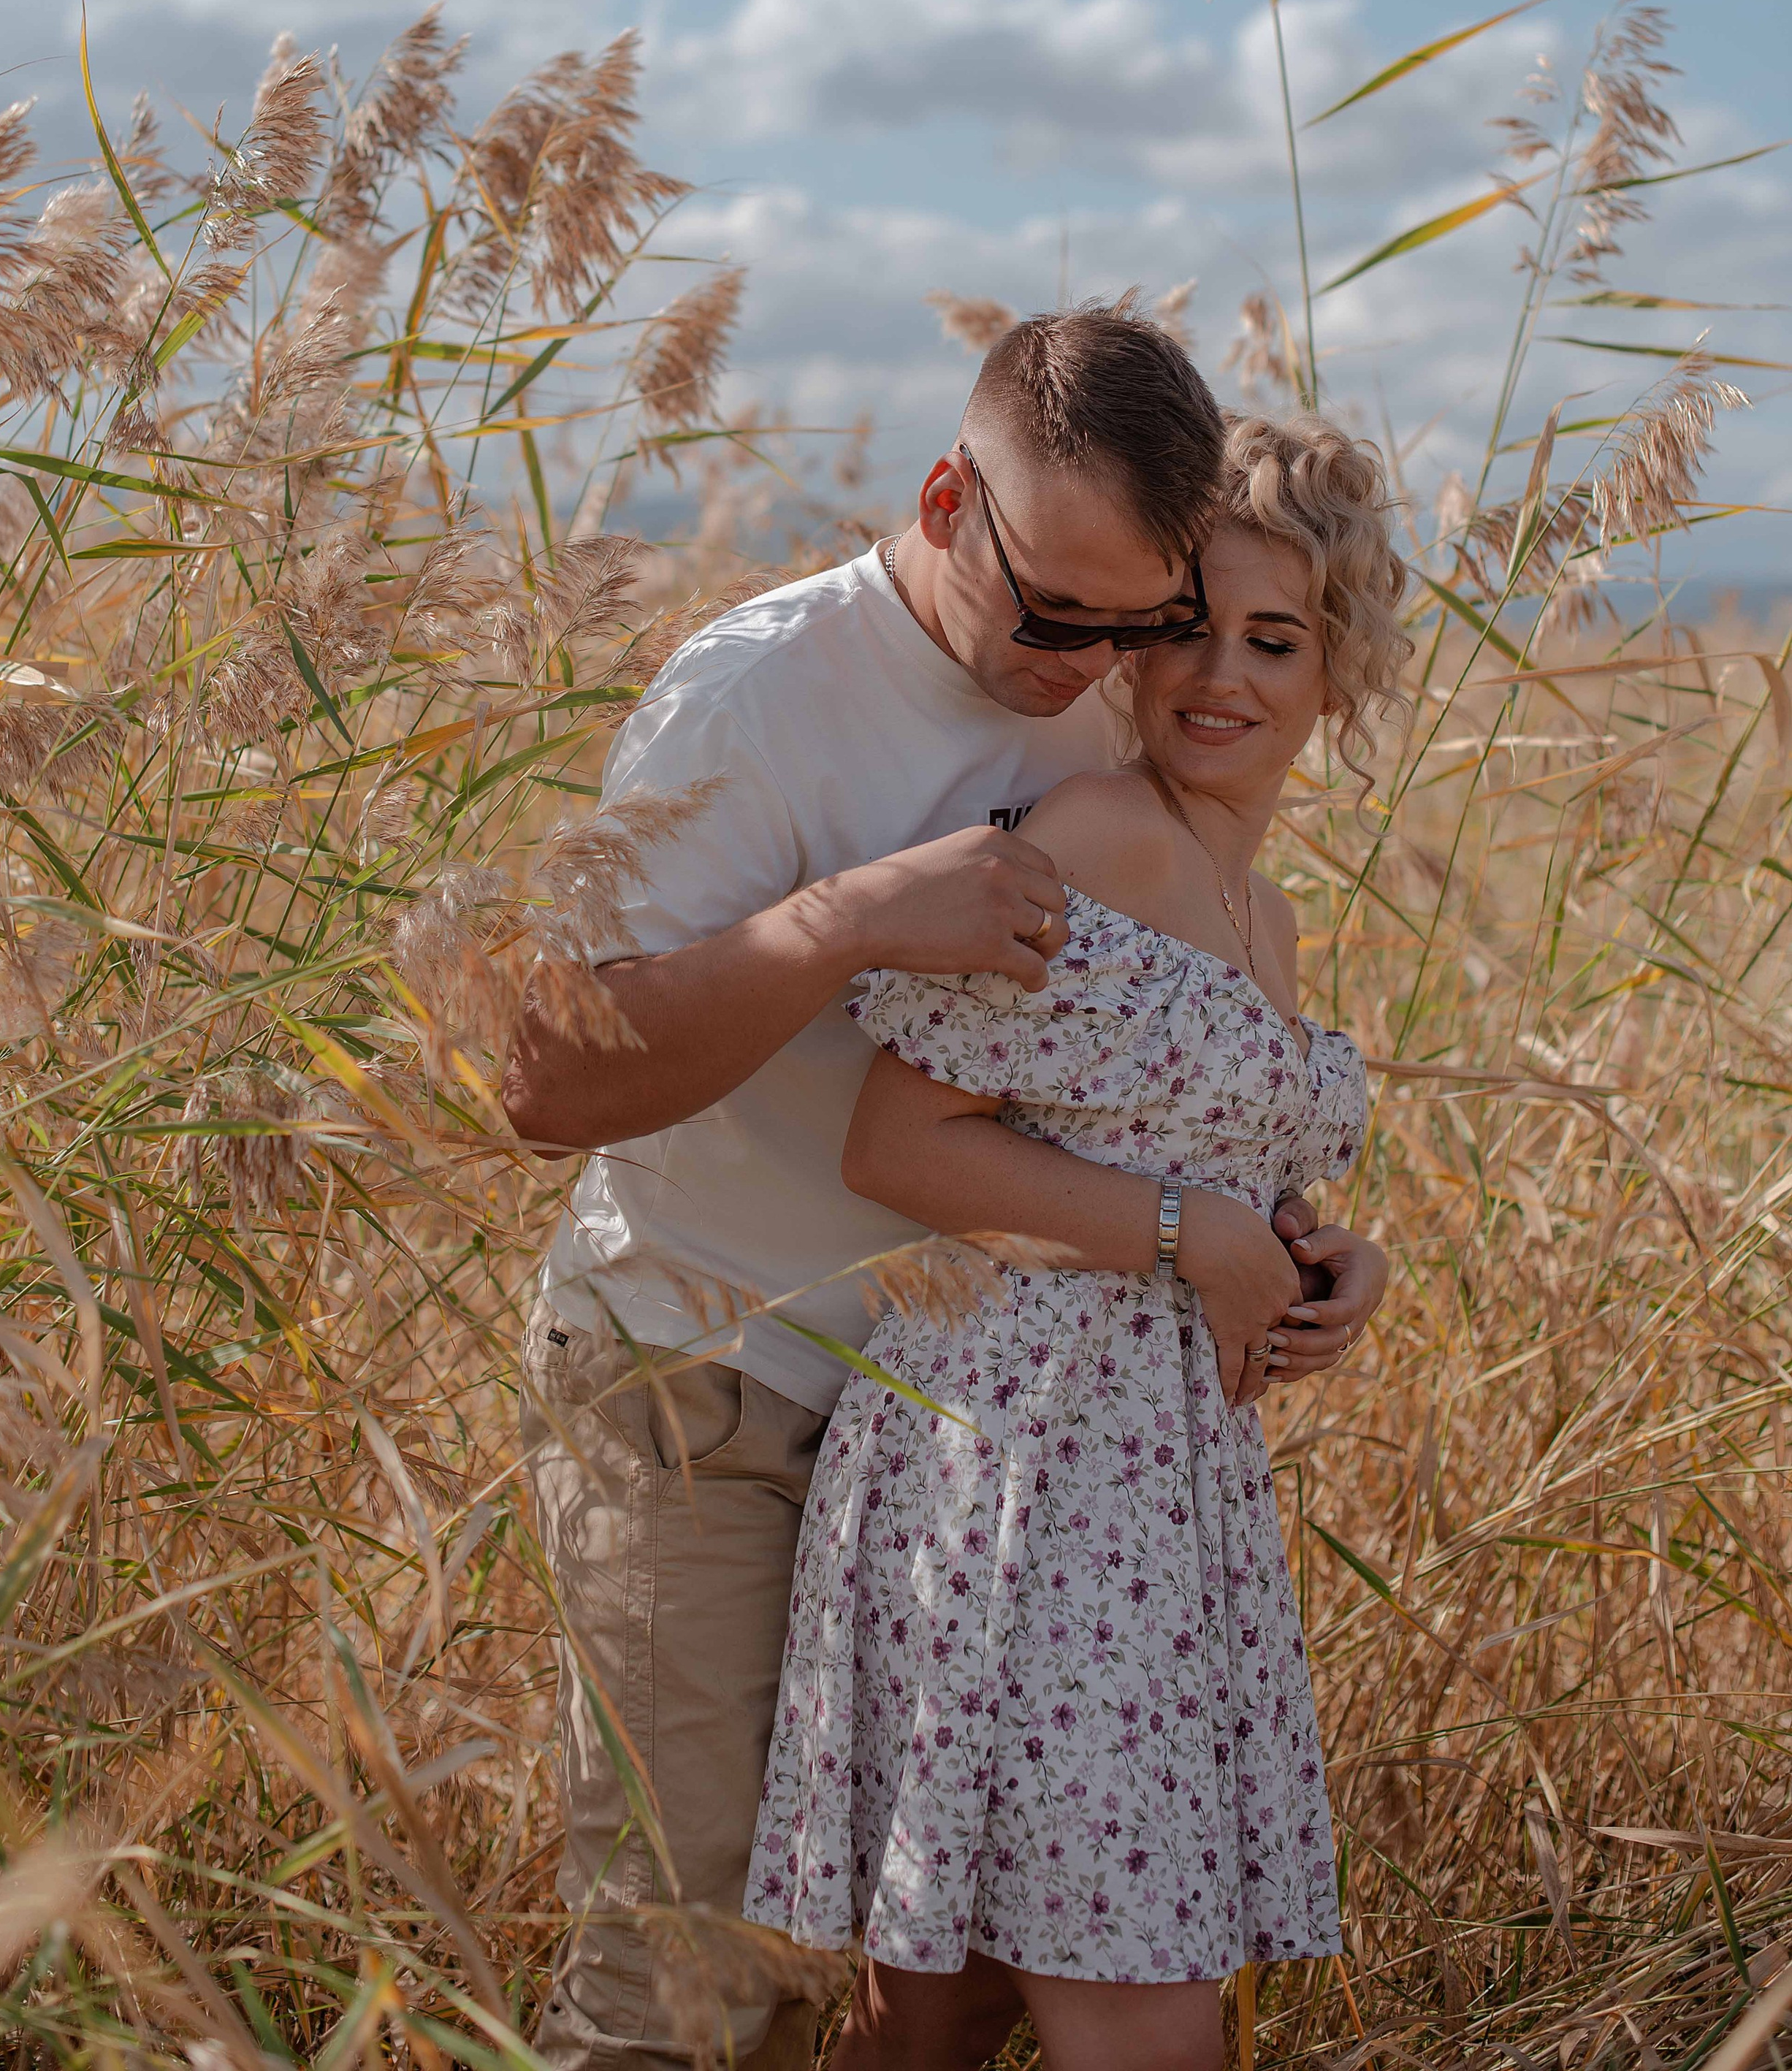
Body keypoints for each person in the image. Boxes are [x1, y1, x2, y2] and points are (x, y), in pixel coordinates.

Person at [503, 310, 1383, 2071]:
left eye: (1136, 622)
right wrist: (845, 921)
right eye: (1055, 614)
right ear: (941, 502)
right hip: (708, 1375)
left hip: (959, 1444)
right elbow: (545, 1082)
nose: (1097, 665)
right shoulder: (760, 696)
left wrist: (1292, 1244)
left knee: (909, 1970)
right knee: (693, 1972)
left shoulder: (1113, 703)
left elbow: (1123, 1083)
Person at [744, 410, 1406, 2071]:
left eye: (1274, 639)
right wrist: (1190, 1235)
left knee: (944, 2005)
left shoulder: (1266, 911)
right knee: (1144, 2019)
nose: (1219, 676)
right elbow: (900, 1144)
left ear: (1339, 669)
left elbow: (1175, 1152)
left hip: (1158, 1497)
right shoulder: (1098, 835)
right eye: (1186, 628)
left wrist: (1322, 1260)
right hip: (1020, 1470)